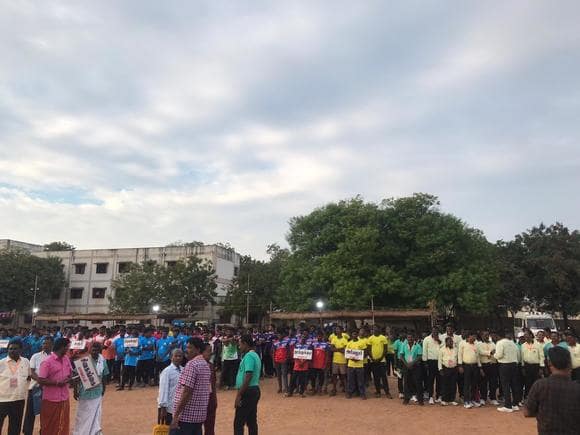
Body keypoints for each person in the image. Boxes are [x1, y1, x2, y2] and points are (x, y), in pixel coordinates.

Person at [525, 346, 580, 434]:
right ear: (569, 364)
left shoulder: (539, 385)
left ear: (549, 363)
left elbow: (527, 412)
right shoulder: (577, 388)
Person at [171, 337, 210, 435]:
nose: (186, 350)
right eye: (186, 347)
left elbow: (187, 392)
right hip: (199, 415)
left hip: (186, 417)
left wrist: (176, 415)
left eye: (190, 348)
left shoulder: (191, 365)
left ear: (198, 350)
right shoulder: (205, 364)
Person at [72, 342, 109, 435]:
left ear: (99, 351)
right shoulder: (84, 361)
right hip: (85, 393)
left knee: (96, 415)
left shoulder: (102, 361)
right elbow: (76, 376)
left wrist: (104, 388)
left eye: (97, 350)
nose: (95, 352)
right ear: (90, 350)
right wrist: (75, 391)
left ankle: (94, 432)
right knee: (82, 415)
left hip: (97, 392)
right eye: (93, 350)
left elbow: (104, 376)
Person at [37, 337, 72, 435]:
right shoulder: (47, 362)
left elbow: (70, 373)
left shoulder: (66, 359)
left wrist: (70, 379)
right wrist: (57, 383)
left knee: (64, 424)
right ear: (62, 347)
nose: (68, 349)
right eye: (67, 347)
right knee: (49, 425)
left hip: (64, 398)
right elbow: (41, 380)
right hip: (51, 400)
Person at [22, 335, 53, 435]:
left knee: (46, 413)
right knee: (30, 413)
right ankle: (27, 432)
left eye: (47, 343)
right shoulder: (36, 356)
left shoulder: (54, 357)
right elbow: (31, 372)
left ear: (52, 345)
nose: (44, 345)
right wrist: (40, 381)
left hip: (48, 389)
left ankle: (44, 431)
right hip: (35, 388)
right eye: (43, 343)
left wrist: (46, 383)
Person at [0, 338, 30, 435]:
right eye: (10, 348)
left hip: (18, 400)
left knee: (15, 428)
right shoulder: (1, 363)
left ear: (21, 350)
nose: (12, 351)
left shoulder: (26, 362)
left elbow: (30, 376)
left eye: (15, 349)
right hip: (2, 400)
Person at [234, 335, 261, 435]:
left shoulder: (249, 356)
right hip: (254, 390)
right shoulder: (255, 355)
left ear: (245, 344)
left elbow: (248, 376)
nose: (239, 347)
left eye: (240, 344)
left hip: (248, 391)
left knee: (238, 422)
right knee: (251, 420)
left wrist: (239, 395)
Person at [493, 330, 520, 413]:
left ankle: (508, 405)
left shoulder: (500, 343)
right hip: (514, 365)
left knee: (505, 385)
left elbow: (499, 355)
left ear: (498, 336)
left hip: (504, 365)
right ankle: (515, 404)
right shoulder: (513, 343)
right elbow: (518, 355)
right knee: (514, 384)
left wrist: (493, 354)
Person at [158, 348, 184, 425]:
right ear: (171, 357)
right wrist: (163, 407)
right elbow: (163, 390)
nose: (178, 358)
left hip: (181, 407)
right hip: (170, 408)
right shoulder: (167, 372)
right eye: (176, 356)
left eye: (180, 356)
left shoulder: (184, 370)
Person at [457, 331, 482, 409]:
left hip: (475, 366)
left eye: (474, 337)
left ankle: (473, 400)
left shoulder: (476, 344)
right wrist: (460, 366)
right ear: (468, 337)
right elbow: (459, 354)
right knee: (467, 384)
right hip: (466, 366)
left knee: (474, 384)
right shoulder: (462, 343)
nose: (474, 339)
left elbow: (478, 357)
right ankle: (466, 401)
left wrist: (480, 367)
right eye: (472, 337)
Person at [399, 332, 423, 405]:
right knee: (406, 382)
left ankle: (420, 400)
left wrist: (412, 363)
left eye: (411, 337)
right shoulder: (404, 345)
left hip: (415, 366)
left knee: (418, 383)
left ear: (414, 338)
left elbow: (419, 356)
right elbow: (401, 355)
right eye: (408, 337)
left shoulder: (418, 346)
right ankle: (407, 399)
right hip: (406, 366)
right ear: (407, 338)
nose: (410, 339)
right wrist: (406, 364)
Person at [286, 332, 310, 398]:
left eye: (304, 338)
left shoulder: (309, 346)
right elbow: (295, 354)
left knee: (303, 380)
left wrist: (303, 362)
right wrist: (299, 362)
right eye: (302, 337)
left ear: (306, 339)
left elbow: (309, 356)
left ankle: (302, 392)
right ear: (300, 338)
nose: (303, 339)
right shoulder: (296, 345)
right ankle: (290, 392)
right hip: (297, 365)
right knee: (293, 379)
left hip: (305, 365)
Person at [521, 330, 544, 398]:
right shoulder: (523, 345)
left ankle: (536, 397)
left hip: (536, 367)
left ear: (531, 335)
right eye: (524, 335)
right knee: (527, 382)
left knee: (536, 383)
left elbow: (541, 356)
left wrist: (541, 368)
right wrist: (523, 367)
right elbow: (522, 357)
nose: (525, 336)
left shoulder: (538, 345)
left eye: (526, 335)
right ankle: (527, 397)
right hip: (527, 366)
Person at [478, 330, 498, 406]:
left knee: (493, 382)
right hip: (484, 365)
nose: (486, 336)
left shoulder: (493, 343)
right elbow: (481, 352)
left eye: (487, 335)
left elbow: (495, 351)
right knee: (483, 383)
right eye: (485, 335)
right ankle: (483, 398)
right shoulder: (479, 344)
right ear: (482, 336)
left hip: (493, 365)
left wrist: (490, 353)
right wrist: (489, 353)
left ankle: (493, 398)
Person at [345, 329, 367, 400]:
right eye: (353, 334)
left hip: (359, 365)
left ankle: (362, 394)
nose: (354, 335)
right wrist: (352, 358)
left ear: (357, 335)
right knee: (350, 380)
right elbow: (347, 354)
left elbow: (365, 352)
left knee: (361, 380)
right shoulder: (349, 343)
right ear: (351, 335)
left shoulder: (362, 342)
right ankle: (350, 392)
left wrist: (358, 358)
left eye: (355, 334)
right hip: (351, 364)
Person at [422, 326, 441, 404]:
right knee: (430, 380)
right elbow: (424, 351)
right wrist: (425, 362)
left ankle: (439, 396)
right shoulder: (426, 339)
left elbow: (443, 348)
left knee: (439, 380)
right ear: (431, 331)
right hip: (430, 362)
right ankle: (430, 396)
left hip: (439, 362)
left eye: (436, 331)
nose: (435, 332)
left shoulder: (441, 338)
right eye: (433, 331)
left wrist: (438, 340)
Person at [201, 343, 217, 435]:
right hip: (200, 400)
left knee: (210, 426)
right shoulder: (196, 366)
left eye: (211, 351)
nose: (211, 353)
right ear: (201, 352)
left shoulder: (211, 366)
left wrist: (214, 399)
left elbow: (213, 384)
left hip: (210, 398)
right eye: (208, 351)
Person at [438, 336, 459, 406]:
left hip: (454, 368)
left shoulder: (456, 349)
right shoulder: (441, 349)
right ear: (446, 342)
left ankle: (452, 399)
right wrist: (440, 369)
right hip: (445, 368)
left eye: (452, 341)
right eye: (449, 341)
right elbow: (439, 360)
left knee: (453, 384)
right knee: (445, 384)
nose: (451, 343)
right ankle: (444, 400)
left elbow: (458, 359)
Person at [329, 325, 348, 396]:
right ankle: (334, 389)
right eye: (336, 329)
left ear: (341, 330)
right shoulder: (334, 339)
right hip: (335, 360)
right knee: (334, 375)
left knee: (343, 376)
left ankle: (346, 389)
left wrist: (336, 349)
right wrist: (340, 349)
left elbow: (345, 350)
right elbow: (331, 349)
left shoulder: (344, 339)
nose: (337, 331)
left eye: (338, 329)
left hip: (343, 361)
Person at [272, 329, 290, 393]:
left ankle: (286, 388)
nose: (279, 336)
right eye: (278, 334)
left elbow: (288, 351)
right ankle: (280, 388)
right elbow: (273, 353)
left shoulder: (286, 342)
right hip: (277, 361)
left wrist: (286, 359)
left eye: (280, 334)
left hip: (284, 361)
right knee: (278, 375)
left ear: (283, 335)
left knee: (284, 375)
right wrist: (273, 361)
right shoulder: (275, 343)